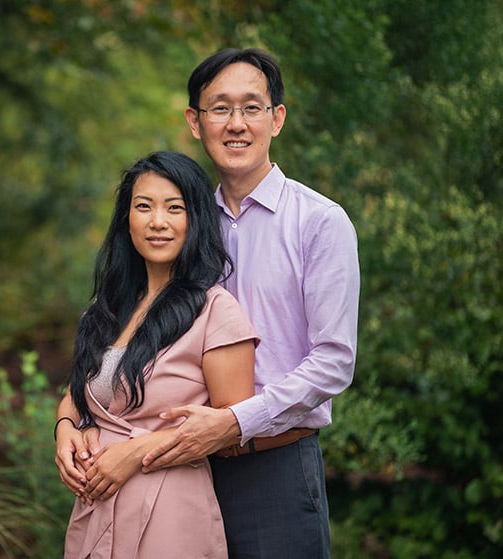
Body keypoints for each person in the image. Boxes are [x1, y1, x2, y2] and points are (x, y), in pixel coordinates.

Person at [57, 48, 360, 558]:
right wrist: (69, 420)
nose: (236, 123)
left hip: (271, 468)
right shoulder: (183, 223)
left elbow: (334, 362)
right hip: (169, 472)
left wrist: (236, 422)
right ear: (195, 122)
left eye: (252, 107)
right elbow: (118, 356)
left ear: (277, 119)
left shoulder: (319, 223)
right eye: (219, 108)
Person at [58, 151, 259, 558]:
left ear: (196, 219)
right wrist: (64, 428)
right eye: (143, 206)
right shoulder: (107, 308)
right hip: (96, 508)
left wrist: (134, 453)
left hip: (170, 511)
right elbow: (80, 393)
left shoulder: (216, 311)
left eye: (174, 208)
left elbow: (229, 430)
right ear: (126, 218)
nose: (158, 222)